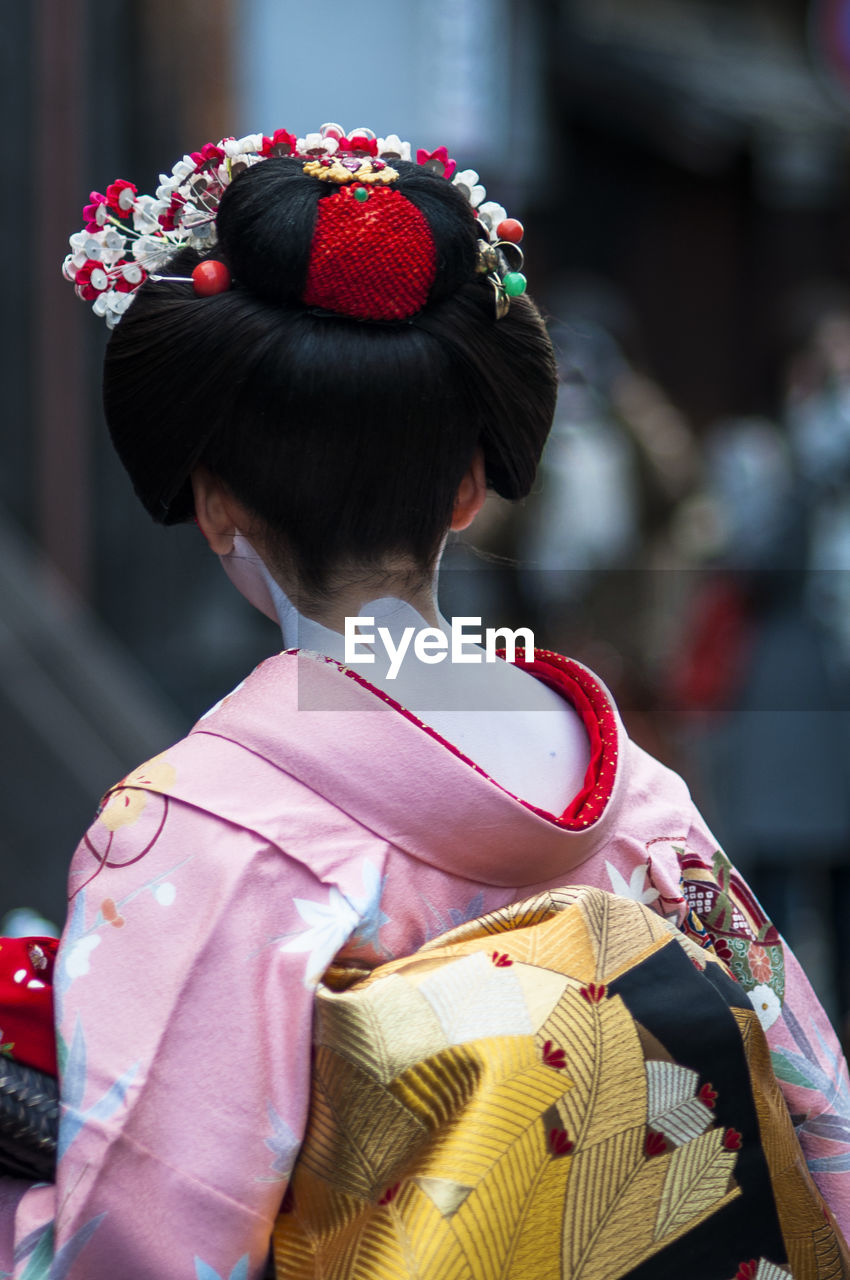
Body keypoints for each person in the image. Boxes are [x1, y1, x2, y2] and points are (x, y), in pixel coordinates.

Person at [1, 124, 847, 1279]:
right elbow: (820, 1128)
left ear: (216, 510)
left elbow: (140, 1247)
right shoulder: (642, 804)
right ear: (463, 491)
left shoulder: (199, 837)